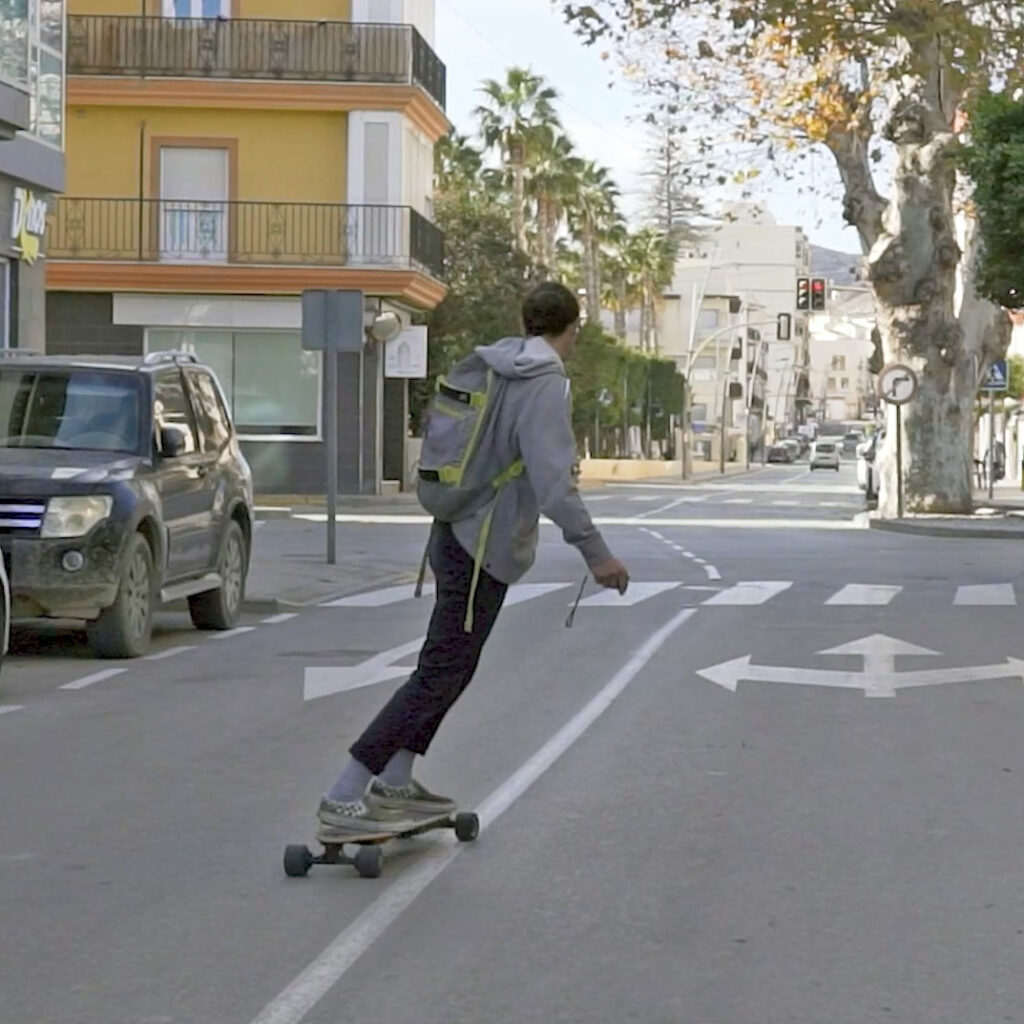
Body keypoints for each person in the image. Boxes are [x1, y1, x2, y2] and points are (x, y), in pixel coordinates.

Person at [315, 281, 630, 837]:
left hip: (454, 529)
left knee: (451, 667)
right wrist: (597, 555)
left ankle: (394, 778)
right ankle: (345, 791)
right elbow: (555, 484)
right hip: (483, 542)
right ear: (571, 328)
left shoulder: (499, 362)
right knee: (440, 671)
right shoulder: (544, 381)